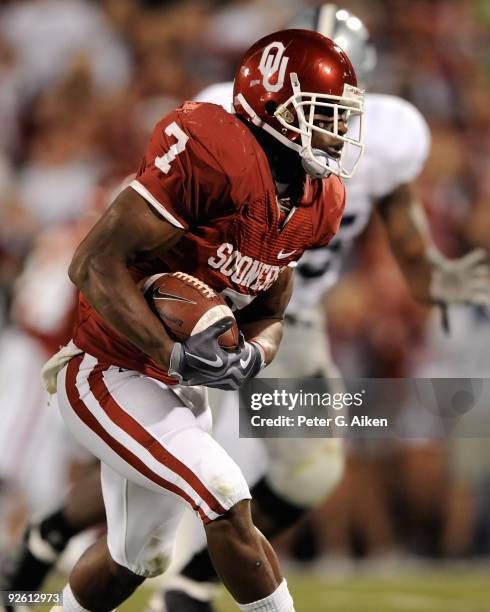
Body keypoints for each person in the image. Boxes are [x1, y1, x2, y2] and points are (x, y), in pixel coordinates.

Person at [8, 29, 364, 612]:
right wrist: (172, 352)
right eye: (322, 114)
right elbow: (92, 263)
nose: (338, 132)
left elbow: (273, 311)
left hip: (175, 387)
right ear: (272, 107)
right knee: (225, 497)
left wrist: (255, 355)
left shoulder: (318, 201)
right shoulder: (215, 152)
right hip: (109, 369)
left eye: (343, 117)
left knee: (134, 557)